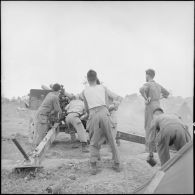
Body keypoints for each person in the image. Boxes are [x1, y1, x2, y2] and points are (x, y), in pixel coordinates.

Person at [82, 69, 121, 175]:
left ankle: (93, 166)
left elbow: (86, 108)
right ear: (96, 77)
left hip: (93, 115)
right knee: (111, 139)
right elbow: (107, 105)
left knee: (94, 141)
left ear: (87, 79)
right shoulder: (103, 88)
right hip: (104, 112)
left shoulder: (84, 91)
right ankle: (117, 164)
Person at [139, 69, 170, 154]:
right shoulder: (158, 85)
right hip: (158, 107)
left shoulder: (147, 84)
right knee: (157, 127)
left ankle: (148, 149)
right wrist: (159, 98)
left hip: (150, 107)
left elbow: (141, 89)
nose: (145, 77)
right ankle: (156, 148)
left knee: (148, 127)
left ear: (148, 75)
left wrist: (146, 98)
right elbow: (167, 94)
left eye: (146, 75)